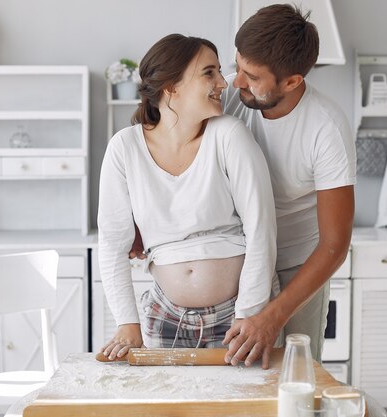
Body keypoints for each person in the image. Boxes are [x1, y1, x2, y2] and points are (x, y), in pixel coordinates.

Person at [97, 34, 277, 360]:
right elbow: (112, 242)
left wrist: (249, 313)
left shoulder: (229, 135)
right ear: (171, 87)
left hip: (237, 315)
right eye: (209, 72)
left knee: (242, 410)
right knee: (168, 410)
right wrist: (126, 321)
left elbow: (262, 230)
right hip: (163, 317)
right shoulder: (124, 148)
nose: (224, 83)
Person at [221, 4, 356, 369]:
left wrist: (272, 318)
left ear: (292, 82)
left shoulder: (326, 129)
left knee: (294, 373)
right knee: (238, 376)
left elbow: (334, 244)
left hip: (298, 264)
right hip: (238, 258)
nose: (236, 82)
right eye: (238, 67)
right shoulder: (233, 97)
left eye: (251, 76)